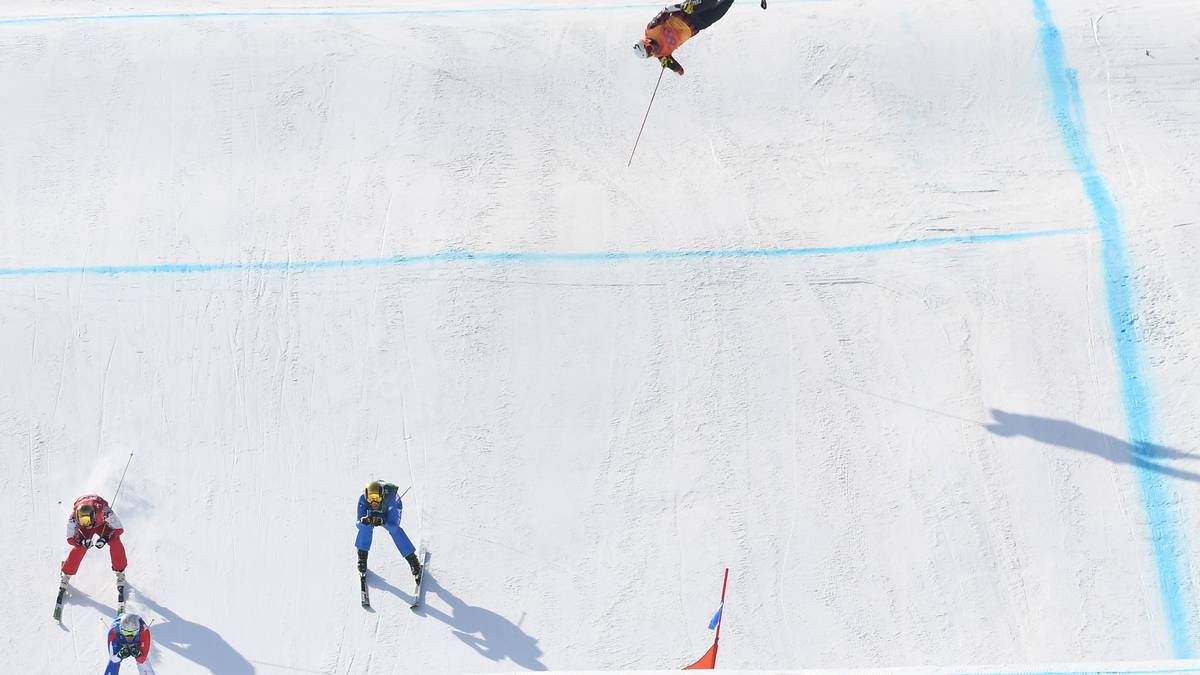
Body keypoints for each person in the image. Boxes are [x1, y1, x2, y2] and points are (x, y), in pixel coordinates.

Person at [633, 0, 743, 75]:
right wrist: (671, 66)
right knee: (726, 4)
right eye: (650, 54)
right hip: (699, 25)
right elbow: (680, 71)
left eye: (649, 48)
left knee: (712, 1)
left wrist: (682, 5)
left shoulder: (652, 29)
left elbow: (666, 10)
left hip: (689, 12)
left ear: (646, 42)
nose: (653, 51)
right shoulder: (662, 55)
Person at [355, 481, 422, 582]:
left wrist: (383, 522)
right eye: (371, 498)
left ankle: (412, 559)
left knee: (395, 531)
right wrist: (363, 521)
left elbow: (394, 526)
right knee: (365, 527)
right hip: (372, 513)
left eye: (377, 498)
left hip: (389, 509)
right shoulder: (363, 500)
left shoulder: (392, 499)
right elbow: (358, 523)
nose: (374, 503)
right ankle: (362, 556)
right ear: (366, 496)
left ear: (382, 495)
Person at [61, 495, 127, 591]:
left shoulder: (104, 512)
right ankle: (66, 573)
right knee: (80, 547)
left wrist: (105, 538)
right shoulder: (73, 517)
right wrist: (81, 541)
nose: (86, 524)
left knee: (115, 541)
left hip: (101, 524)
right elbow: (70, 539)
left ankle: (120, 570)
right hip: (86, 528)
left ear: (93, 515)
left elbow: (119, 529)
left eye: (87, 520)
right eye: (82, 521)